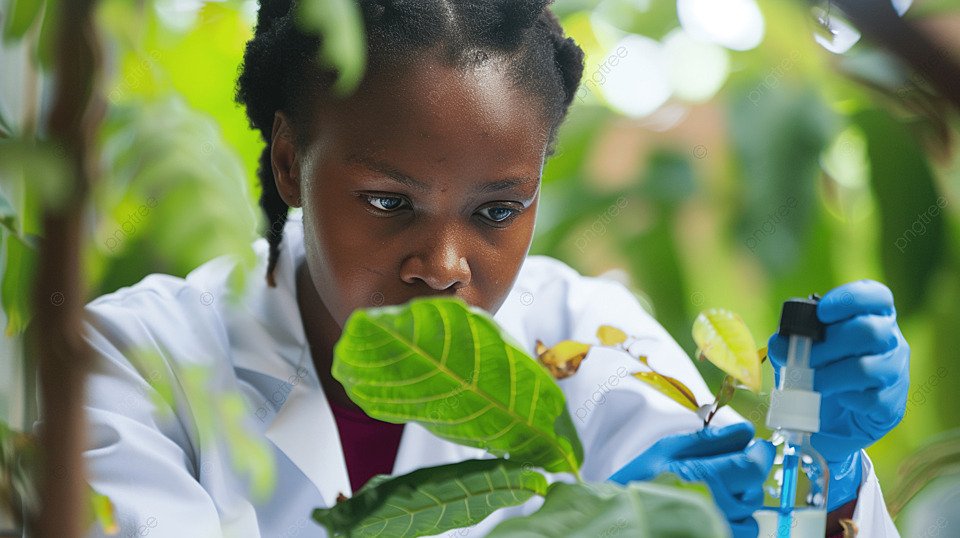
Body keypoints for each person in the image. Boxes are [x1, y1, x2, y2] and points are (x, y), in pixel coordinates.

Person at [74, 0, 908, 536]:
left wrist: (820, 475)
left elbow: (751, 512)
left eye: (497, 212)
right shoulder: (132, 358)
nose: (443, 267)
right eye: (387, 203)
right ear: (290, 163)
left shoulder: (593, 344)